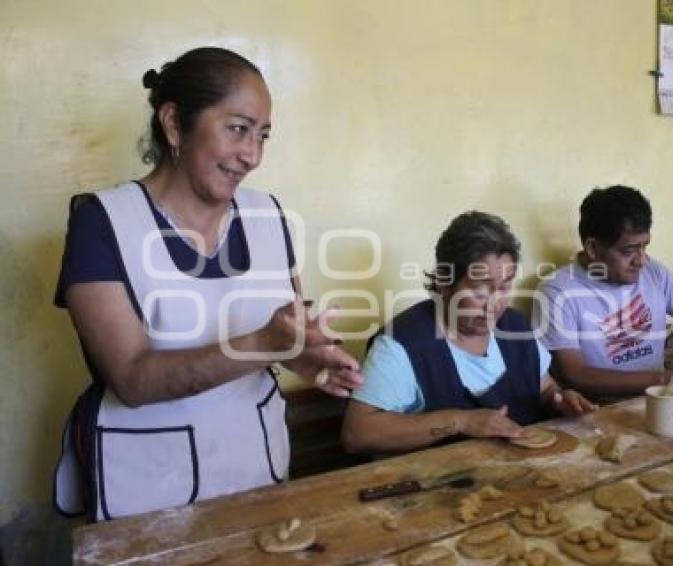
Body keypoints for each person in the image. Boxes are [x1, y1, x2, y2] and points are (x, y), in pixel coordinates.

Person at [52, 47, 362, 521]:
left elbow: (285, 337)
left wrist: (309, 356)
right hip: (149, 491)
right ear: (174, 123)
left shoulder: (268, 215)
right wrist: (262, 342)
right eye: (237, 129)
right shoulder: (102, 222)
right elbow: (132, 379)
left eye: (263, 135)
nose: (252, 155)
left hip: (256, 468)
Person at [342, 211, 596, 455]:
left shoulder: (514, 326)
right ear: (444, 281)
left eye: (504, 288)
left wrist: (560, 400)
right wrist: (461, 421)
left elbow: (545, 388)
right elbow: (357, 435)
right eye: (479, 290)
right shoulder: (402, 344)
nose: (493, 304)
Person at [532, 185, 673, 403]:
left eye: (645, 247)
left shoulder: (653, 273)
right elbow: (577, 374)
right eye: (628, 250)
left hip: (656, 402)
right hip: (595, 413)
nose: (640, 260)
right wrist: (666, 379)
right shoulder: (557, 291)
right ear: (592, 248)